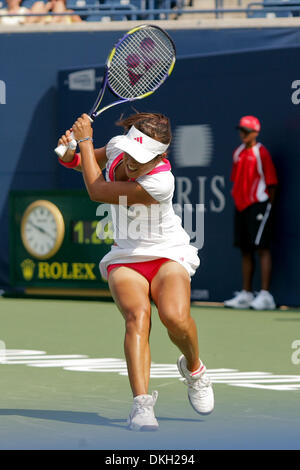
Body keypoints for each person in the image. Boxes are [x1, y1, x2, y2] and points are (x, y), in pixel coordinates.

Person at [57, 112, 214, 431]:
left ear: (161, 155)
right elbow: (83, 163)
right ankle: (141, 406)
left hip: (168, 252)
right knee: (137, 316)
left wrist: (85, 139)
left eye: (141, 158)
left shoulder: (160, 182)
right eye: (130, 151)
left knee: (175, 317)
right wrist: (71, 151)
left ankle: (194, 369)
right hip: (126, 254)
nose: (131, 161)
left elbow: (97, 190)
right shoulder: (118, 146)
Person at [224, 115, 278, 310]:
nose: (243, 134)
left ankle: (265, 295)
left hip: (259, 205)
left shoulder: (261, 152)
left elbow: (271, 183)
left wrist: (267, 207)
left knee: (262, 248)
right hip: (241, 206)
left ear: (255, 132)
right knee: (245, 250)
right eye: (241, 131)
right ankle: (246, 294)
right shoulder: (238, 153)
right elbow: (235, 180)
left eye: (246, 131)